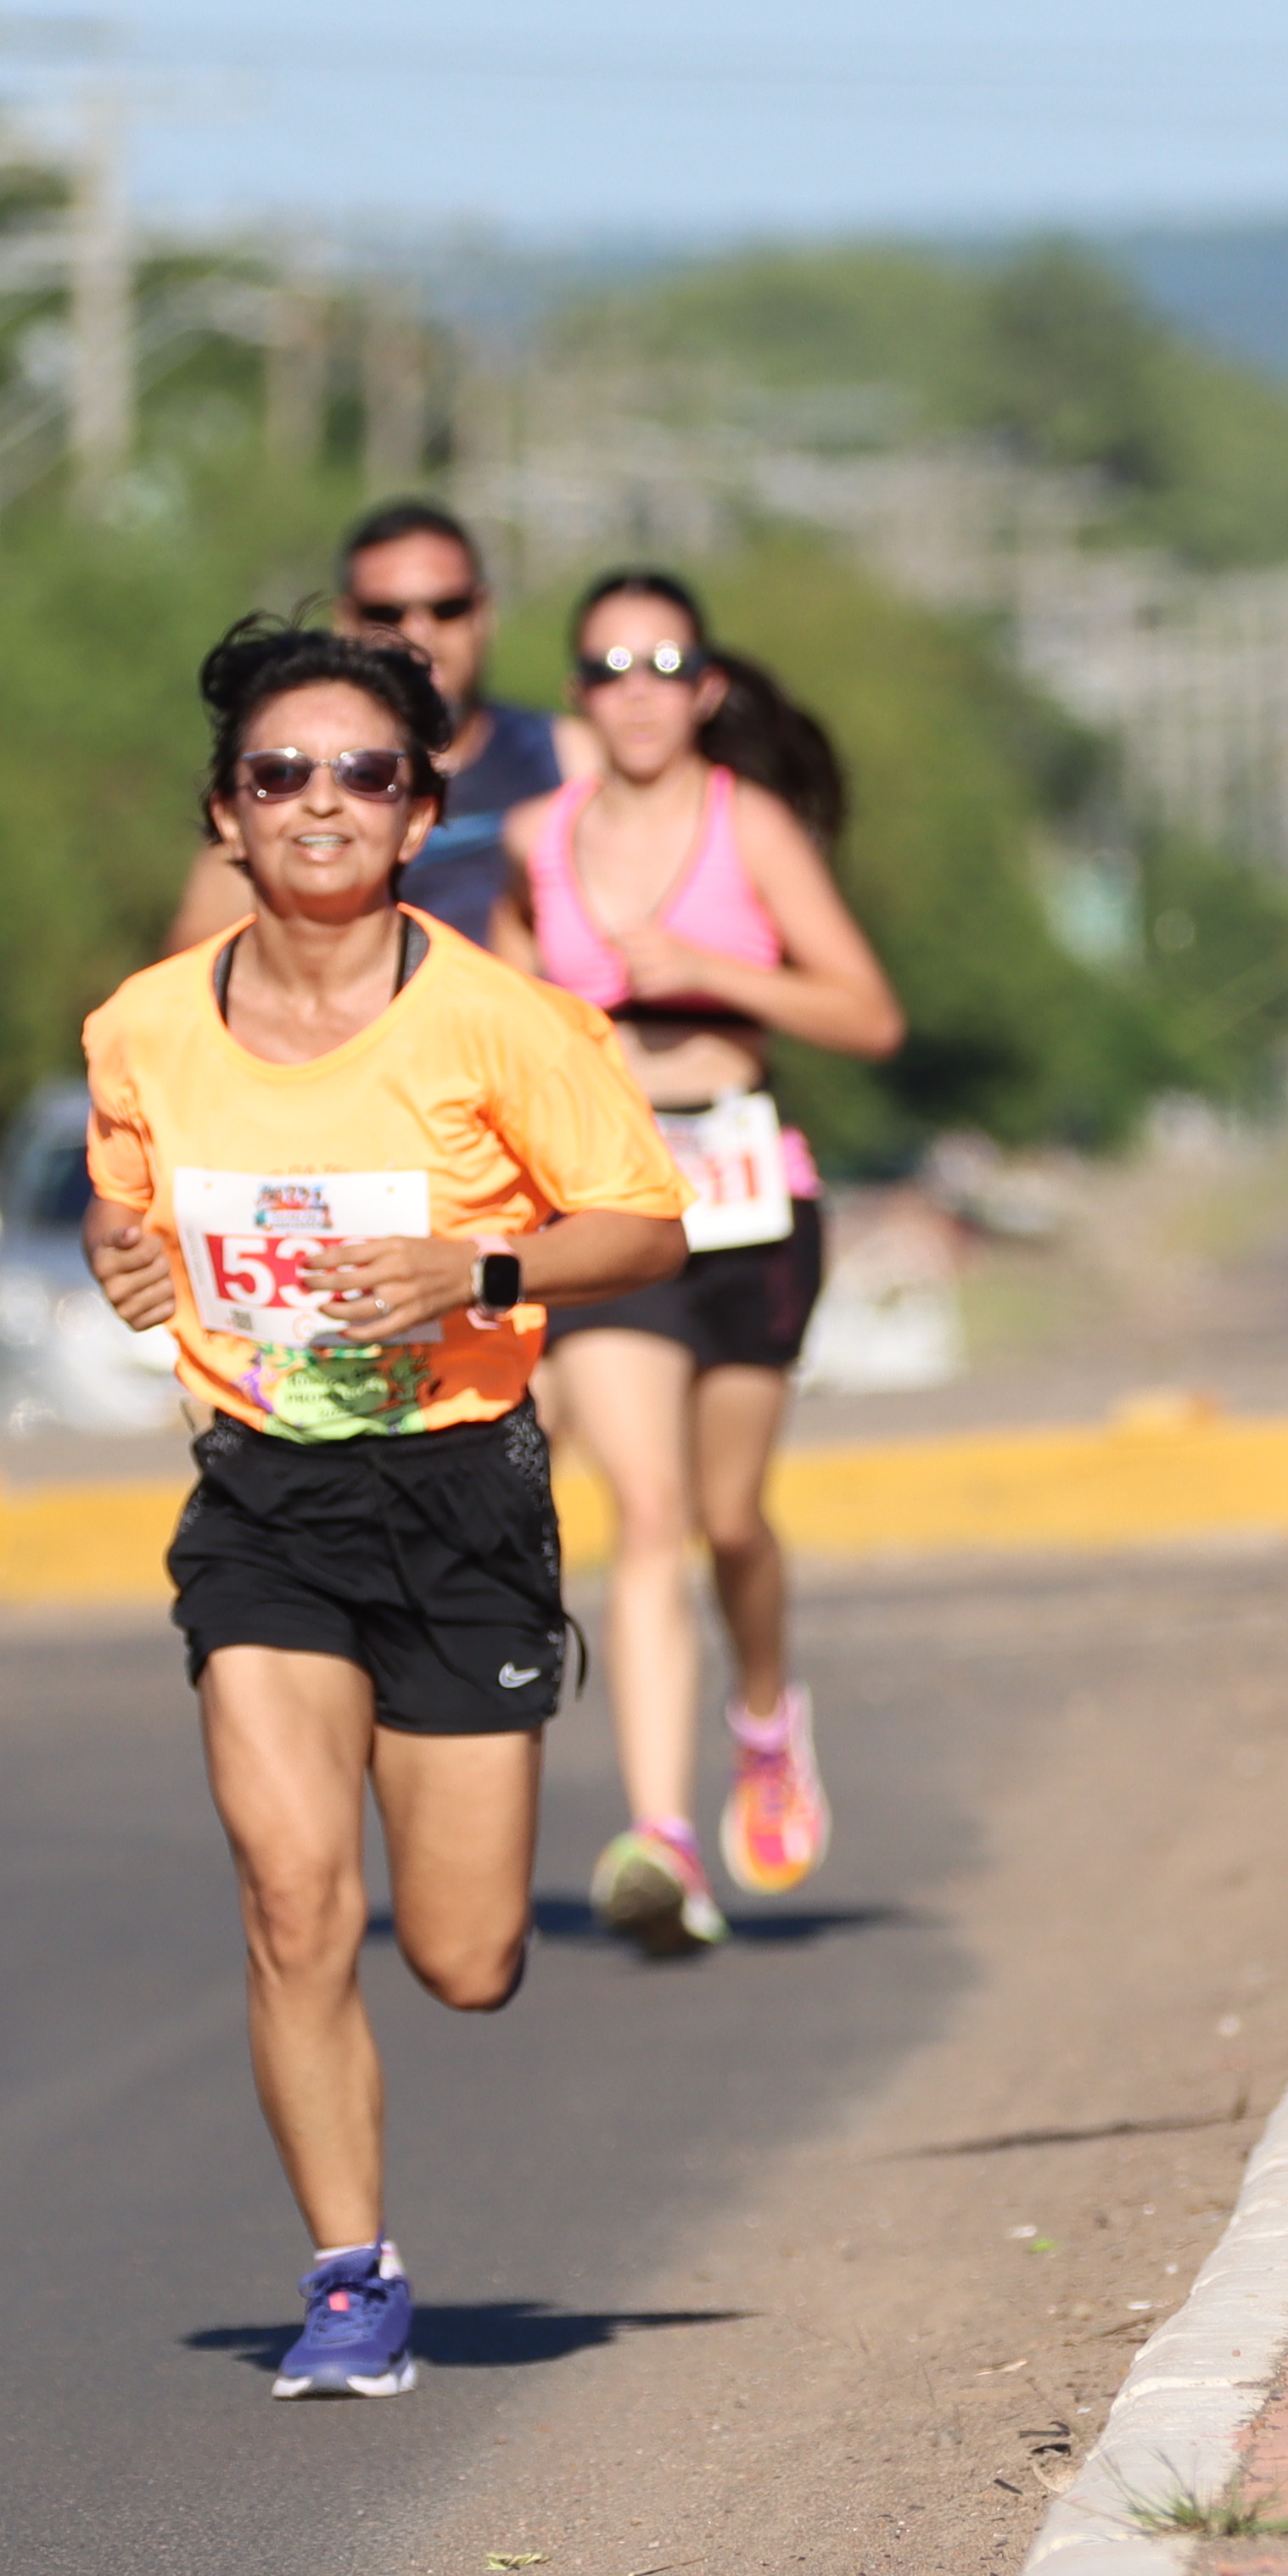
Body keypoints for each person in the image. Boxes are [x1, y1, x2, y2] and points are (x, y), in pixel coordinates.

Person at [83, 616, 685, 2397]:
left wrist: (470, 1266)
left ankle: (451, 1976)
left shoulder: (505, 1024)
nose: (320, 802)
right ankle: (351, 2280)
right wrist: (119, 1256)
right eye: (280, 775)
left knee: (468, 1956)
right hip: (263, 1497)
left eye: (364, 773)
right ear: (226, 816)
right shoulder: (142, 1030)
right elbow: (128, 1215)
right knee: (291, 1899)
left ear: (422, 814)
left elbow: (643, 1228)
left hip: (462, 1498)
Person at [489, 567, 906, 1958]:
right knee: (648, 1509)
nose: (638, 691)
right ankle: (660, 1835)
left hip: (748, 1197)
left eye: (664, 664)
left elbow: (866, 1016)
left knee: (733, 1520)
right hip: (616, 1205)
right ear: (579, 697)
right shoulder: (536, 842)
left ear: (707, 688)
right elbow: (492, 1038)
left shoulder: (754, 828)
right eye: (609, 668)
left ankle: (767, 1714)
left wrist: (717, 972)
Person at [167, 498, 564, 953]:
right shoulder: (278, 783)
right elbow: (198, 966)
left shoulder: (569, 756)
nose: (420, 634)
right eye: (387, 613)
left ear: (484, 611)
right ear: (346, 620)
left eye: (446, 608)